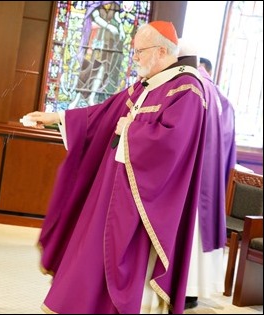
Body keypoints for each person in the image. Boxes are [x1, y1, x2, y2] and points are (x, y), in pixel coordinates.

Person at [24, 21, 207, 314]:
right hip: (110, 189)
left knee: (121, 264)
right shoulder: (146, 86)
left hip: (143, 201)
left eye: (139, 51)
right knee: (89, 257)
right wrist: (56, 117)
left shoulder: (187, 89)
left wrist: (132, 131)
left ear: (161, 51)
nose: (134, 58)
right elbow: (102, 114)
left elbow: (174, 143)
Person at [178, 42, 237, 309]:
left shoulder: (190, 89)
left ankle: (182, 288)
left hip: (189, 178)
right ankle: (193, 290)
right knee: (201, 232)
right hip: (212, 182)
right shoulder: (222, 99)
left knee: (187, 230)